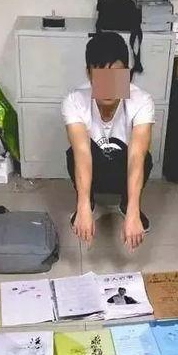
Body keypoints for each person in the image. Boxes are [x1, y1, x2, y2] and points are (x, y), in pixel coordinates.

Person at [62, 32, 154, 251]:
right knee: (72, 154)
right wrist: (82, 205)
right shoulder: (74, 101)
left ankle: (127, 203)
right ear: (89, 73)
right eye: (101, 76)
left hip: (123, 165)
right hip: (94, 163)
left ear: (127, 75)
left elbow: (136, 157)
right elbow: (82, 154)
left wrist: (133, 211)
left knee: (145, 159)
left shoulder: (142, 101)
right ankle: (88, 201)